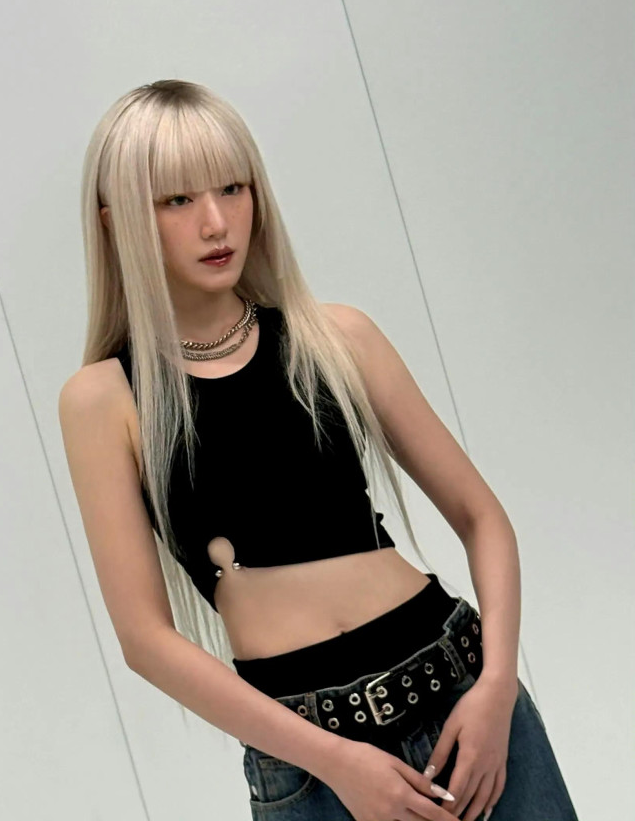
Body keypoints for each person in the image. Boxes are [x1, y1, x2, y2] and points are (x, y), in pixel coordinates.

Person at [58, 79, 579, 821]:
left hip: (464, 701)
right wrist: (335, 762)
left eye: (232, 188)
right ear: (116, 223)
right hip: (311, 764)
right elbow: (145, 640)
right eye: (176, 200)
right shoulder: (105, 399)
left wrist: (496, 687)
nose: (215, 222)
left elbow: (481, 517)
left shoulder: (336, 337)